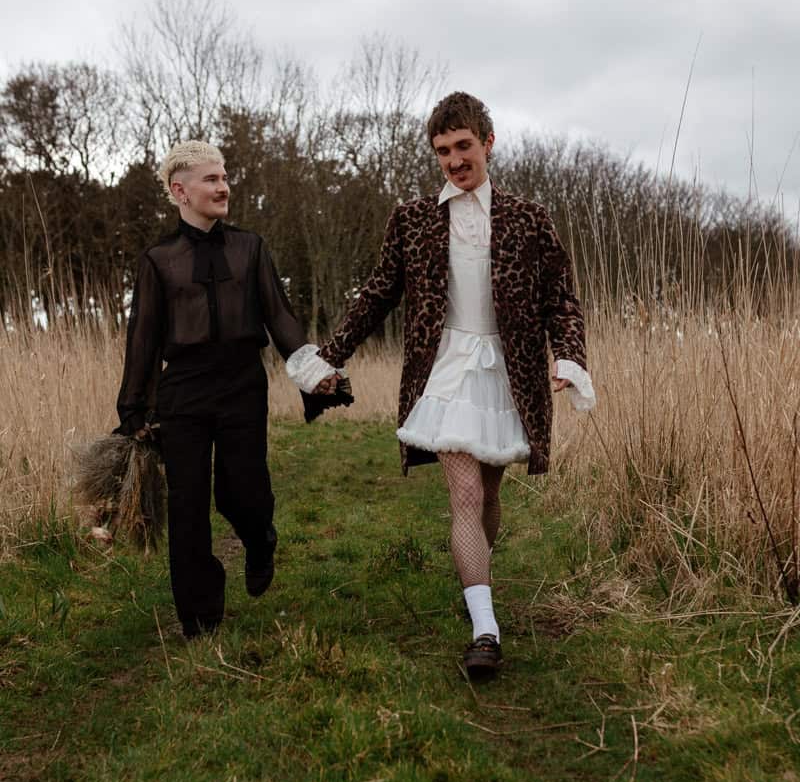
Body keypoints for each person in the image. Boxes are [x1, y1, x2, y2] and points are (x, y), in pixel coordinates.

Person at [314, 93, 595, 679]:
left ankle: (476, 587)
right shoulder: (412, 219)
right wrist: (328, 356)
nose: (453, 160)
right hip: (442, 371)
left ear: (487, 143)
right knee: (463, 498)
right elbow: (377, 294)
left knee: (489, 498)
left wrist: (570, 358)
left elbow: (560, 301)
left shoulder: (529, 218)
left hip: (507, 373)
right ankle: (485, 631)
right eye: (442, 151)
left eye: (463, 146)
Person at [115, 140, 342, 639]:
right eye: (211, 179)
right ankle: (200, 618)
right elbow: (144, 339)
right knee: (188, 504)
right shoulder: (158, 260)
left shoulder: (250, 248)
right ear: (180, 191)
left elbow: (280, 317)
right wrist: (135, 407)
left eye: (224, 177)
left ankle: (260, 540)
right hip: (184, 393)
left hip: (242, 384)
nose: (224, 187)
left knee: (243, 492)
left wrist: (312, 371)